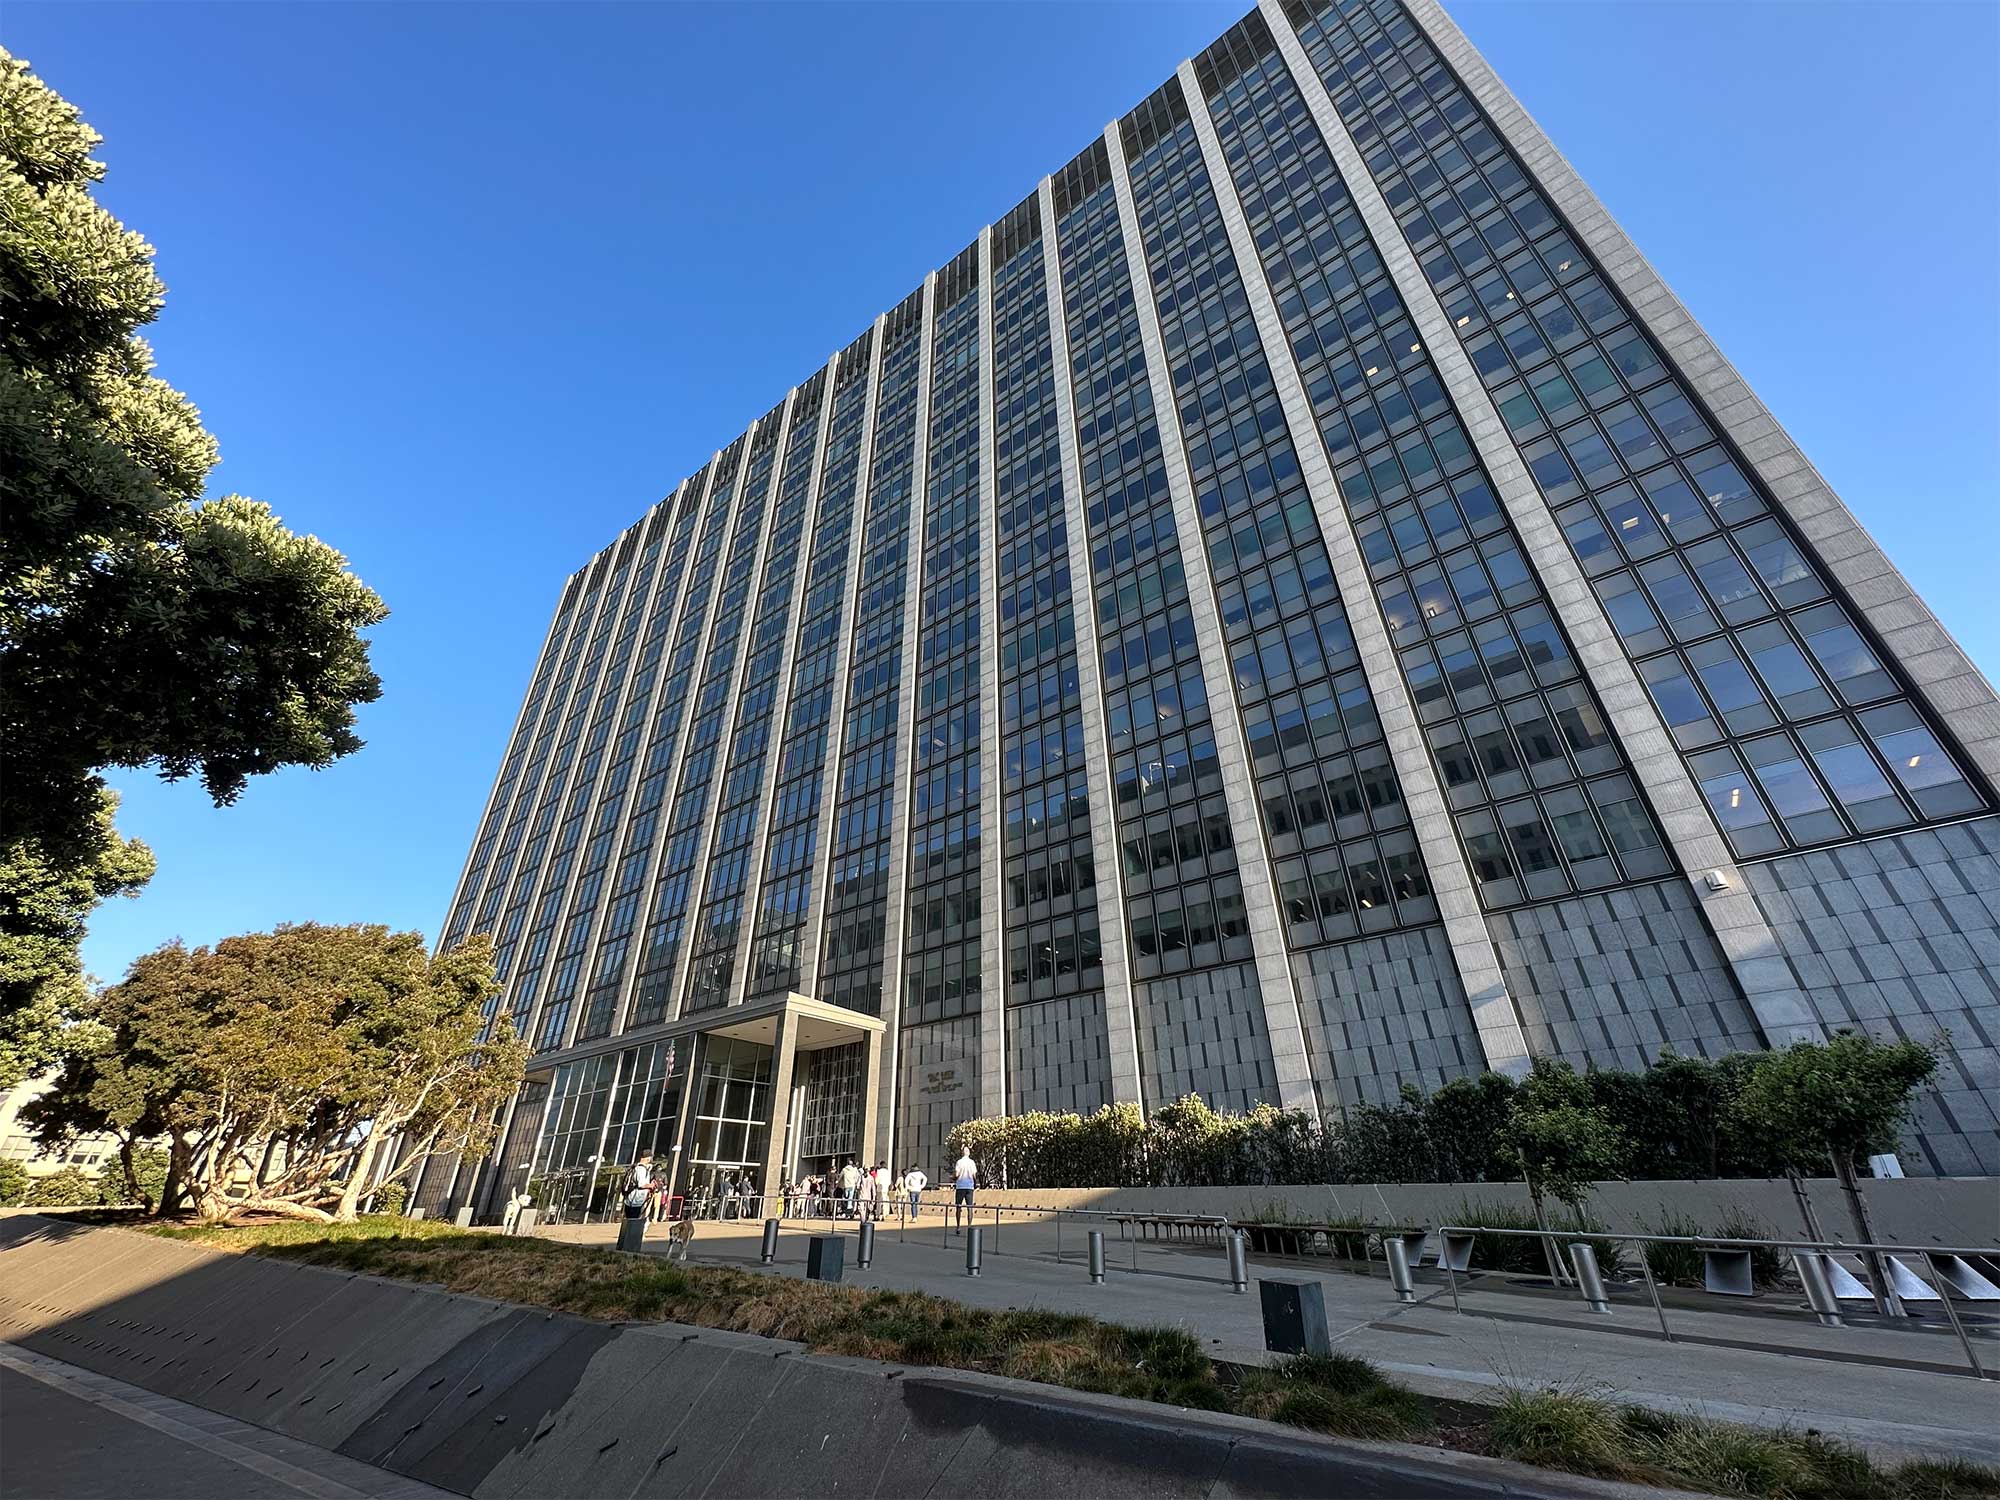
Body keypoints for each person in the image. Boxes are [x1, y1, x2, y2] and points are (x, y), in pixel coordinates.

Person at [621, 1151, 656, 1223]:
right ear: (648, 1158)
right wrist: (651, 1185)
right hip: (635, 1200)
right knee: (633, 1221)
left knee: (631, 1221)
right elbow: (641, 1184)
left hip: (633, 1200)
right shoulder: (641, 1169)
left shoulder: (636, 1167)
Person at [951, 1149, 978, 1232]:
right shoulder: (972, 1162)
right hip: (969, 1186)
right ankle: (969, 1226)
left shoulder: (959, 1162)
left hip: (960, 1186)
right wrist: (975, 1183)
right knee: (969, 1207)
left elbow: (957, 1174)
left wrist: (953, 1178)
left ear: (962, 1153)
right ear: (969, 1153)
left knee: (958, 1207)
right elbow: (974, 1174)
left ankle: (958, 1226)